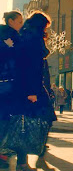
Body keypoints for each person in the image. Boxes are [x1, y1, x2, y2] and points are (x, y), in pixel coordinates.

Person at [17, 11, 57, 171]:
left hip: (25, 86)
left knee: (24, 124)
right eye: (46, 26)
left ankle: (27, 160)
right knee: (45, 119)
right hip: (32, 87)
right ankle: (34, 159)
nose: (46, 30)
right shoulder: (34, 38)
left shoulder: (25, 34)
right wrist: (32, 91)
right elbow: (32, 66)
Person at [0, 10, 23, 170]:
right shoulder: (13, 37)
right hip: (9, 83)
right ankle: (4, 151)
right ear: (11, 22)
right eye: (19, 21)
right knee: (8, 119)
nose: (21, 25)